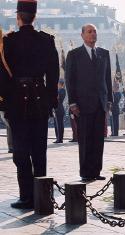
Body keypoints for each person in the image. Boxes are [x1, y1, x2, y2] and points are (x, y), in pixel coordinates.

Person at [0, 0, 59, 209]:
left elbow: (3, 76)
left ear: (18, 17)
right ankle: (42, 195)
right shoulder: (46, 40)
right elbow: (53, 74)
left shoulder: (8, 41)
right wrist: (52, 101)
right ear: (34, 17)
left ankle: (26, 196)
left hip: (16, 101)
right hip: (40, 100)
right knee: (39, 150)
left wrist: (5, 104)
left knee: (21, 152)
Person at [65, 24, 113, 182]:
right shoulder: (74, 55)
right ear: (82, 35)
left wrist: (109, 100)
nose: (93, 34)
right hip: (82, 104)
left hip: (100, 103)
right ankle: (86, 171)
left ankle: (96, 170)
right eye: (89, 32)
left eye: (95, 32)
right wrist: (72, 102)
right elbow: (69, 80)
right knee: (85, 139)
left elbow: (107, 79)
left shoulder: (104, 54)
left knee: (98, 139)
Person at [53, 79, 66, 143]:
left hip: (59, 109)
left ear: (60, 84)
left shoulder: (62, 90)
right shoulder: (58, 90)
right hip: (57, 109)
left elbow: (58, 99)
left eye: (58, 83)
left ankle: (60, 139)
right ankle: (58, 138)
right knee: (56, 124)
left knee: (59, 125)